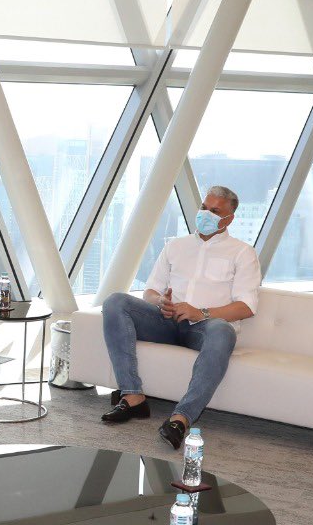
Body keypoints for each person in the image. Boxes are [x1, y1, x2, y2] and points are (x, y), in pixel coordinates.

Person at [99, 185, 260, 449]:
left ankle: (180, 419)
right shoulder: (175, 246)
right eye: (204, 208)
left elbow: (246, 307)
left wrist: (201, 312)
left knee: (223, 330)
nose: (205, 214)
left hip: (205, 328)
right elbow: (150, 291)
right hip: (166, 321)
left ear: (229, 219)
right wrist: (160, 302)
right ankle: (133, 396)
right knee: (116, 301)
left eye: (214, 211)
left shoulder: (242, 253)